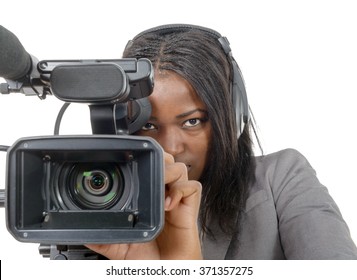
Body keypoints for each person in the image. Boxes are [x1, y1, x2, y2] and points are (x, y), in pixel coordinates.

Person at [86, 24, 357, 259]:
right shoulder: (94, 202)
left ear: (232, 115)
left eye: (192, 121)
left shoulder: (282, 178)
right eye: (148, 125)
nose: (170, 147)